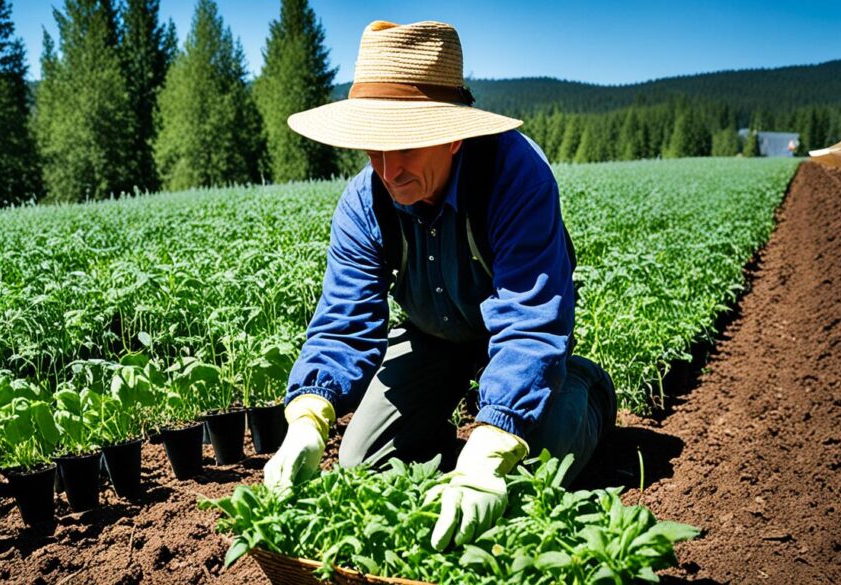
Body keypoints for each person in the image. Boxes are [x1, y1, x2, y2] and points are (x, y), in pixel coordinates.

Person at [262, 20, 617, 552]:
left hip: (516, 339)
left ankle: (585, 390)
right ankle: (452, 443)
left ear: (453, 134)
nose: (387, 169)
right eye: (372, 148)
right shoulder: (365, 202)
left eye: (402, 145)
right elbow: (344, 319)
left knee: (533, 472)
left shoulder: (515, 177)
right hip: (433, 337)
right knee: (365, 462)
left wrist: (490, 448)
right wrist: (309, 416)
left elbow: (529, 319)